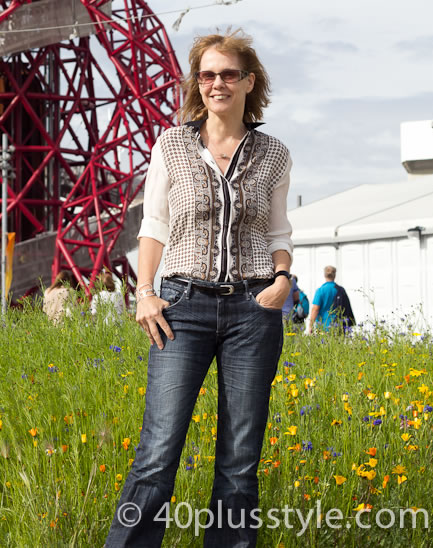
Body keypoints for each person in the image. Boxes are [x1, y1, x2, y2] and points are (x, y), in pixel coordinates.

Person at [105, 30, 293, 548]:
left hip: (253, 310)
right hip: (181, 307)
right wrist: (145, 291)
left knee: (239, 460)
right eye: (207, 74)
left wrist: (282, 280)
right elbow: (154, 225)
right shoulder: (171, 144)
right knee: (157, 453)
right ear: (197, 83)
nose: (217, 83)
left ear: (248, 82)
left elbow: (278, 232)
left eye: (229, 73)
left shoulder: (274, 153)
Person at [306, 265, 355, 333]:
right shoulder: (340, 290)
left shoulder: (321, 290)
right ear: (334, 275)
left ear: (324, 275)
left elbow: (315, 309)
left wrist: (310, 326)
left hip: (323, 326)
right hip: (339, 325)